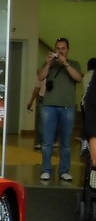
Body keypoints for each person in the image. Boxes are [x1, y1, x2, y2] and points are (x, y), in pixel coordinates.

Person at [37, 38, 83, 182]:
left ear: (67, 50)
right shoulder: (49, 63)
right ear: (54, 49)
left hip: (67, 107)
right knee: (47, 142)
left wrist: (66, 64)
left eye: (63, 48)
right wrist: (48, 64)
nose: (60, 51)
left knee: (66, 142)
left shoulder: (74, 63)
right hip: (49, 106)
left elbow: (78, 78)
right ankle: (46, 170)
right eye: (57, 48)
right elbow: (40, 77)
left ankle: (64, 171)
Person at [26, 76, 45, 150]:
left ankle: (51, 141)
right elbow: (37, 88)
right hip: (42, 98)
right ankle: (39, 142)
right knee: (41, 122)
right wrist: (31, 101)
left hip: (53, 99)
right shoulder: (41, 75)